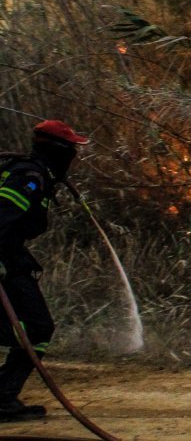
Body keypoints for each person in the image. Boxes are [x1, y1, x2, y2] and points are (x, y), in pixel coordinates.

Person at [0, 119, 89, 422]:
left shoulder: (33, 173)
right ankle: (1, 398)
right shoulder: (29, 176)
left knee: (34, 328)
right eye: (71, 148)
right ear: (59, 150)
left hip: (10, 257)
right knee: (37, 328)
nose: (74, 155)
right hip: (4, 261)